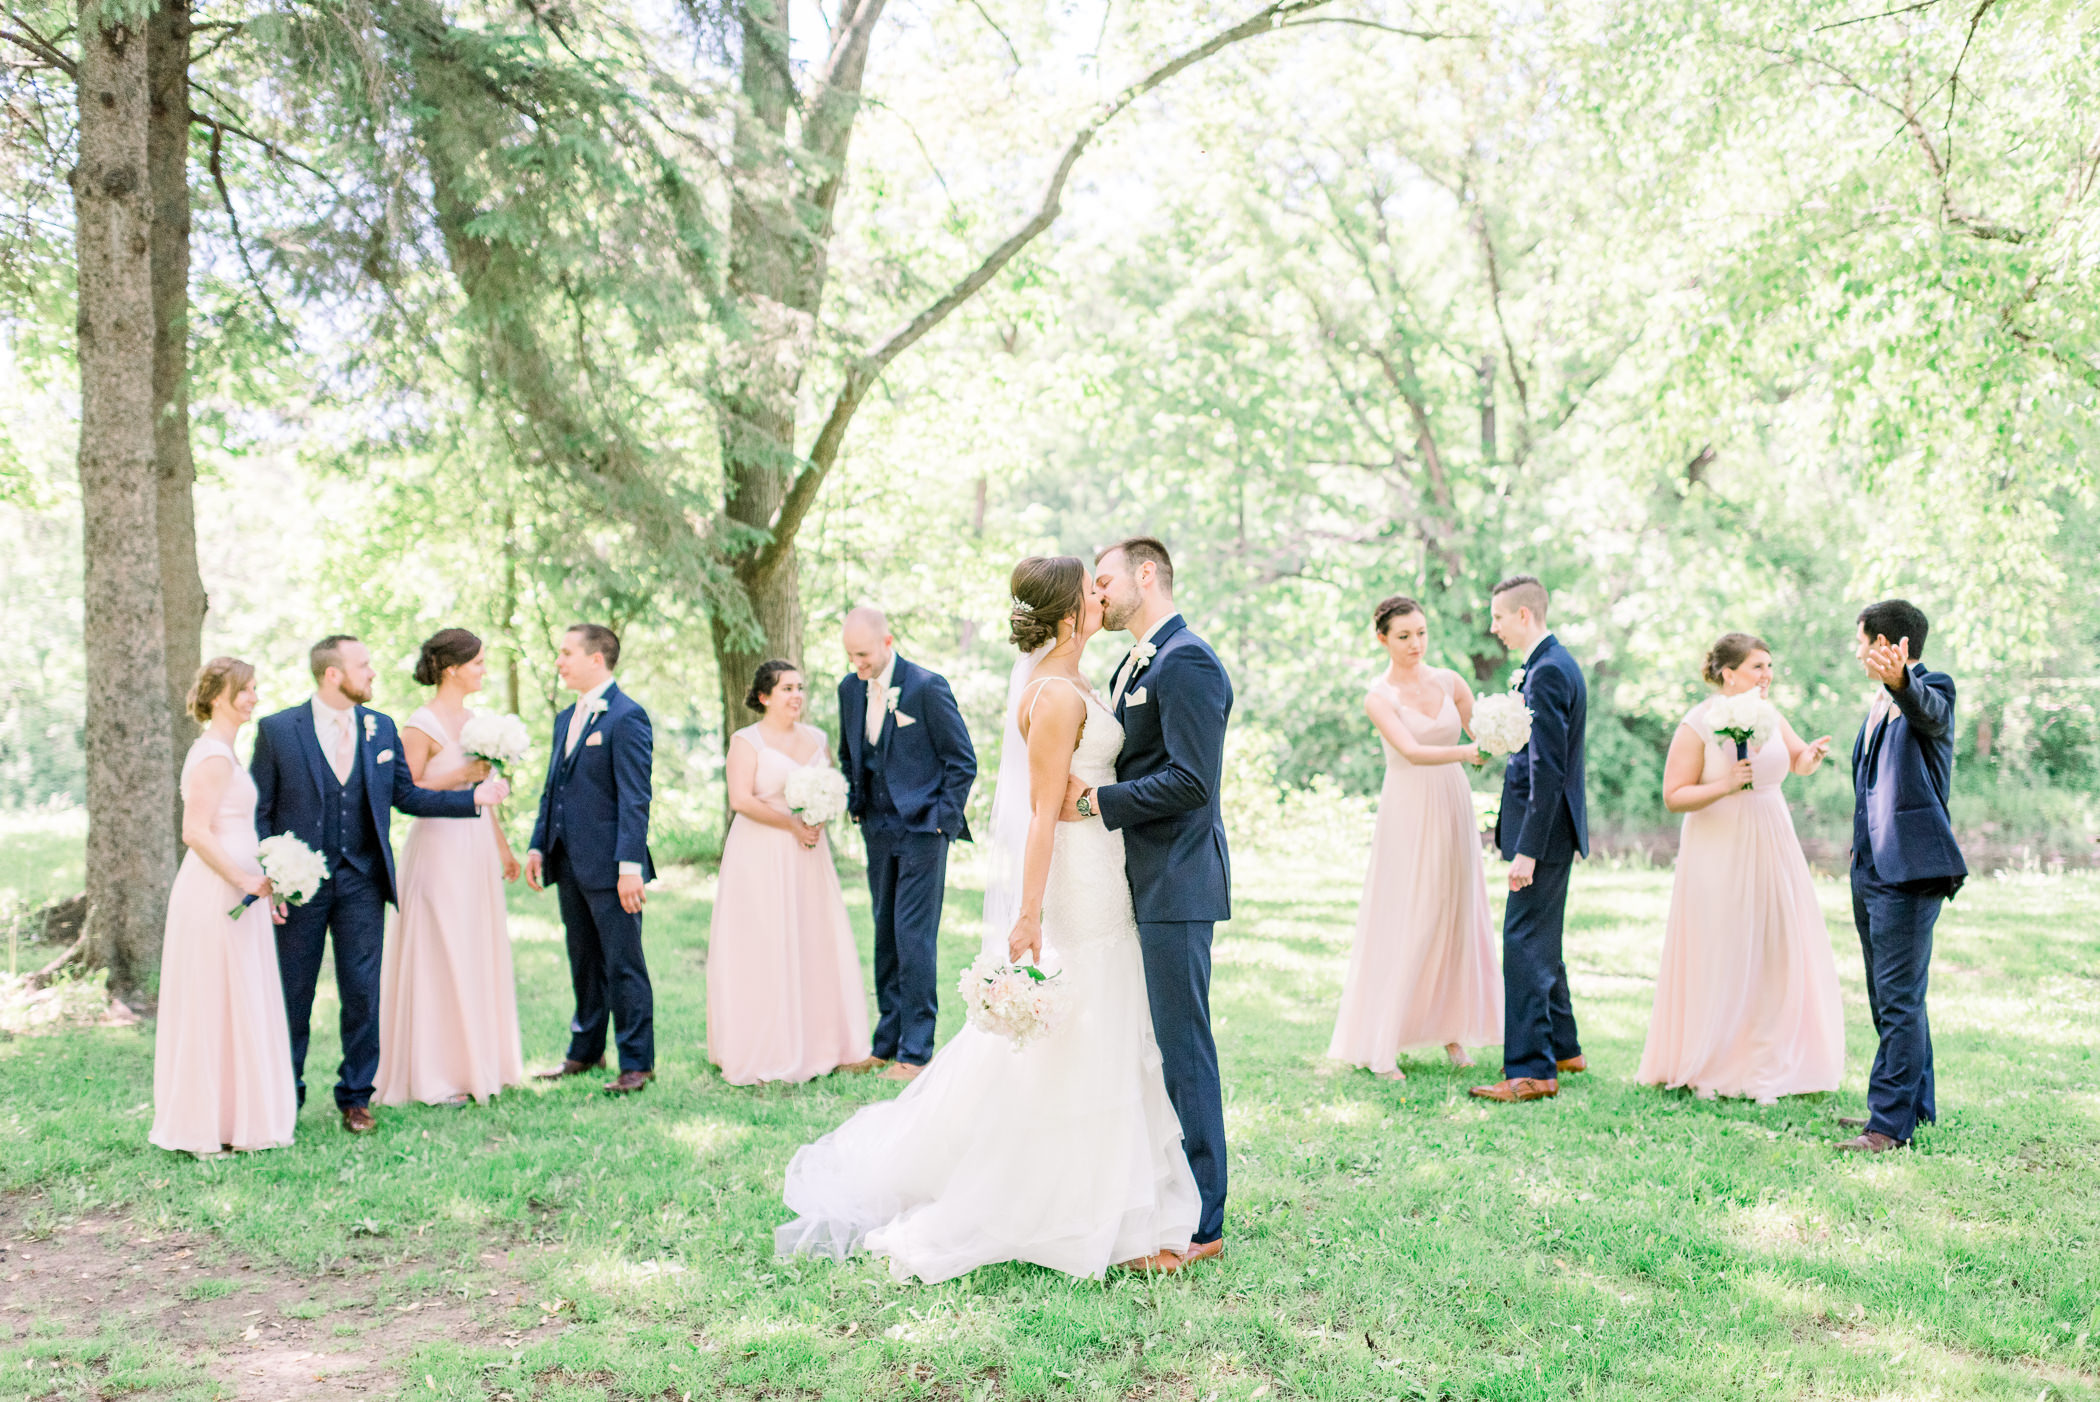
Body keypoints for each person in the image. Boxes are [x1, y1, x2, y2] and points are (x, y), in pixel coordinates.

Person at [777, 557, 1198, 1282]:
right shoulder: (1058, 695)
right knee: (1083, 1017)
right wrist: (1028, 913)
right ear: (1069, 614)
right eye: (1090, 592)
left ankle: (1110, 1183)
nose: (1101, 598)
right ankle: (1068, 1197)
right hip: (1076, 880)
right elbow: (1041, 816)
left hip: (1103, 868)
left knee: (1102, 1019)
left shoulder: (1076, 680)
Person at [251, 636, 509, 1134]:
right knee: (293, 992)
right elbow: (259, 810)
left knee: (363, 993)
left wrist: (473, 798)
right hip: (298, 885)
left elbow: (407, 796)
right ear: (332, 674)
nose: (373, 673)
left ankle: (356, 1096)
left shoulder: (381, 728)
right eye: (363, 665)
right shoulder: (278, 730)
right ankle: (286, 1094)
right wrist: (270, 874)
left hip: (362, 881)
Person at [1060, 536, 1233, 1270]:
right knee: (1156, 1044)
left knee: (1185, 1046)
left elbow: (1194, 781)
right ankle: (1167, 1197)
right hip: (1139, 880)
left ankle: (1205, 1225)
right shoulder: (1131, 661)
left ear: (1147, 573)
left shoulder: (1187, 659)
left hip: (1179, 882)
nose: (1096, 596)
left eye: (1104, 581)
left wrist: (1099, 801)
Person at [1637, 633, 1843, 1104]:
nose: (1767, 676)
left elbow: (1796, 761)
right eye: (1757, 667)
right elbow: (1674, 796)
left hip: (1772, 840)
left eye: (1770, 666)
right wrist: (1726, 784)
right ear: (1728, 673)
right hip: (1718, 847)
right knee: (1725, 945)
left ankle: (1770, 1057)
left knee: (1776, 946)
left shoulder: (1771, 716)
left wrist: (1809, 757)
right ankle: (1718, 1057)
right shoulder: (1697, 724)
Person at [1328, 595, 1501, 1080]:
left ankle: (1453, 1032)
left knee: (1455, 909)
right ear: (1382, 638)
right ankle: (1382, 1040)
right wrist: (1469, 754)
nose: (1415, 644)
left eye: (1421, 633)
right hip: (1409, 807)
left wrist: (1498, 737)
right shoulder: (1378, 695)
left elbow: (1482, 731)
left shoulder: (1450, 681)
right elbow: (1409, 750)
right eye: (1404, 636)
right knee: (1412, 914)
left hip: (1452, 801)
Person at [373, 628, 527, 1107]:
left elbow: (488, 795)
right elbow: (409, 790)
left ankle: (480, 1064)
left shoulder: (480, 722)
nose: (484, 670)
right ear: (453, 668)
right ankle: (435, 1073)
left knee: (476, 945)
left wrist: (503, 848)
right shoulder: (419, 725)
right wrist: (463, 775)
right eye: (478, 662)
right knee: (442, 949)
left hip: (476, 842)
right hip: (438, 845)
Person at [151, 658, 297, 1156]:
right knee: (214, 998)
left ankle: (236, 1117)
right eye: (246, 689)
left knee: (238, 997)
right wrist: (240, 879)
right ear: (219, 696)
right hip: (216, 891)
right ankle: (206, 1121)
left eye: (256, 688)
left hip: (242, 887)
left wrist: (267, 882)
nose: (254, 697)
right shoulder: (212, 756)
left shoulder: (227, 753)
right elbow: (195, 831)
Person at [707, 660, 877, 1085]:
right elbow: (741, 800)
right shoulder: (746, 741)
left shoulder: (817, 738)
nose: (796, 695)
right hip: (760, 850)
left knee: (813, 939)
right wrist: (791, 825)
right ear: (764, 697)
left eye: (799, 687)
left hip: (808, 855)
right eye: (786, 688)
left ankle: (824, 1042)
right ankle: (763, 1045)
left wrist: (818, 818)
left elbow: (831, 787)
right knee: (764, 942)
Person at [1836, 600, 1966, 1153]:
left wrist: (1901, 683)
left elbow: (1929, 710)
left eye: (1863, 639)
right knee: (1890, 996)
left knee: (1899, 1001)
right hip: (1870, 870)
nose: (1857, 649)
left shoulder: (1931, 688)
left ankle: (1887, 1126)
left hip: (1909, 873)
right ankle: (1915, 1107)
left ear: (1893, 646)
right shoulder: (1875, 702)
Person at [836, 607, 977, 1082]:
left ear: (887, 642)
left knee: (914, 937)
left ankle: (916, 1053)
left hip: (923, 832)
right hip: (876, 829)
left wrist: (941, 823)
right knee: (885, 934)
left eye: (863, 654)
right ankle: (887, 1043)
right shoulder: (848, 690)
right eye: (850, 655)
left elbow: (962, 760)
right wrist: (856, 804)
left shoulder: (926, 687)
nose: (857, 664)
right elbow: (849, 751)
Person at [526, 624, 658, 1096]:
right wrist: (538, 844)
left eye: (566, 653)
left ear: (596, 659)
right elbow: (552, 789)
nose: (559, 661)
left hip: (610, 868)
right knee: (582, 960)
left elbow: (635, 798)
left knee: (624, 963)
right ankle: (585, 1051)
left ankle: (637, 1063)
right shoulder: (566, 717)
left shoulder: (627, 717)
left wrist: (629, 868)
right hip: (567, 861)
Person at [1473, 574, 1589, 1104]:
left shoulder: (1546, 673)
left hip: (1543, 834)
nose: (1493, 627)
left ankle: (1530, 1071)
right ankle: (1563, 1047)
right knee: (1541, 939)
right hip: (1547, 829)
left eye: (1499, 617)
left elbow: (1548, 770)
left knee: (1523, 943)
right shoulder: (1547, 665)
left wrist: (1527, 849)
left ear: (1524, 615)